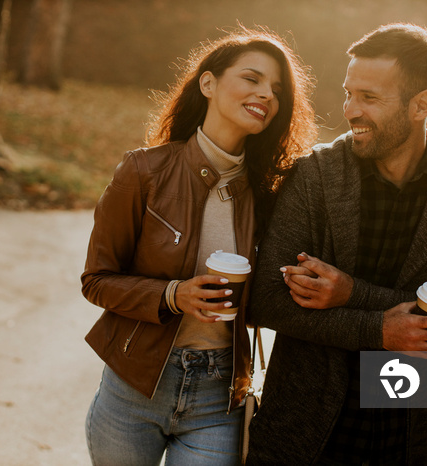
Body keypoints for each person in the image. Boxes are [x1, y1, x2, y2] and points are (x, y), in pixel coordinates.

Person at [246, 23, 427, 465]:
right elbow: (264, 300)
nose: (350, 110)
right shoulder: (315, 173)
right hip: (298, 433)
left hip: (398, 432)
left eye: (369, 98)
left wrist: (351, 294)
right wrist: (379, 328)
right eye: (349, 93)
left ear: (421, 105)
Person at [80, 26, 317, 466]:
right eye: (252, 78)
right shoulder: (143, 172)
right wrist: (174, 294)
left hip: (218, 394)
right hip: (133, 387)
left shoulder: (271, 195)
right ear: (208, 83)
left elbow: (270, 296)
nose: (266, 93)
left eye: (276, 89)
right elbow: (96, 281)